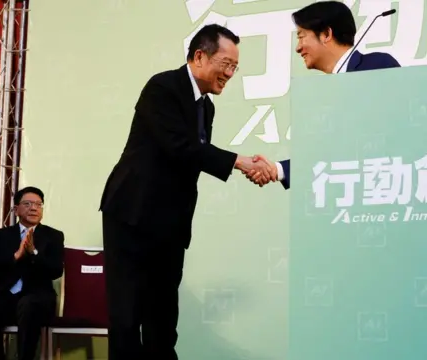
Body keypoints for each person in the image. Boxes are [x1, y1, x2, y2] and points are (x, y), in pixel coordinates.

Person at [98, 24, 273, 359]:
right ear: (199, 56)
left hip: (170, 223)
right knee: (127, 314)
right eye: (227, 64)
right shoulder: (162, 87)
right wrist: (239, 161)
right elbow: (180, 147)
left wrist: (242, 163)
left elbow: (193, 157)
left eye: (235, 67)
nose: (230, 74)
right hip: (132, 215)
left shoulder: (206, 107)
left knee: (163, 317)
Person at [246, 0, 401, 188]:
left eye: (302, 37)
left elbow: (398, 131)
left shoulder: (377, 65)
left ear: (327, 34)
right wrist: (277, 169)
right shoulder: (320, 96)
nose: (298, 47)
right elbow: (326, 156)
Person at [0, 186, 64, 360]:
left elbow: (56, 271)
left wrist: (34, 253)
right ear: (16, 209)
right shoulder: (2, 235)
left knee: (28, 306)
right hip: (5, 296)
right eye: (28, 204)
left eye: (38, 205)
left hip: (38, 297)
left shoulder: (53, 236)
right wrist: (16, 256)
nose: (34, 208)